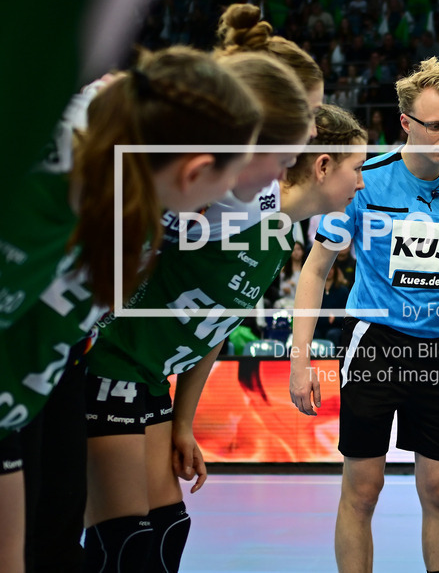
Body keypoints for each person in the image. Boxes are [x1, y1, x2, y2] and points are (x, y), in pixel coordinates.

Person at [0, 46, 264, 573]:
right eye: (234, 181)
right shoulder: (46, 204)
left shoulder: (133, 205)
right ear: (195, 171)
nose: (249, 196)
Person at [83, 103, 366, 573]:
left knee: (169, 528)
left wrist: (182, 423)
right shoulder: (239, 201)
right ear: (322, 166)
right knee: (124, 543)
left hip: (150, 381)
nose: (361, 182)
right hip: (106, 365)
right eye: (356, 168)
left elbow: (215, 330)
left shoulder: (279, 238)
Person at [289, 57, 439, 573]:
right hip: (375, 343)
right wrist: (300, 361)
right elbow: (316, 270)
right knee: (363, 490)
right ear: (406, 122)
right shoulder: (365, 182)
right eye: (436, 126)